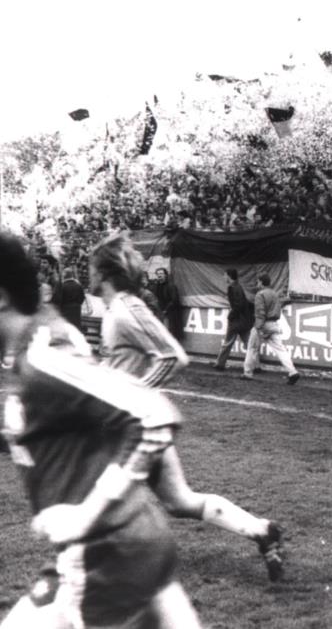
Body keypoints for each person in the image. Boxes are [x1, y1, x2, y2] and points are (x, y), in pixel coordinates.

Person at [0, 228, 203, 628]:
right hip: (118, 543)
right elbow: (83, 426)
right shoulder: (42, 339)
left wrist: (87, 514)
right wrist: (5, 436)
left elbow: (154, 415)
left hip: (105, 554)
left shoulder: (44, 355)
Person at [90, 235, 285, 581]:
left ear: (104, 272)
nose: (87, 272)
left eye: (92, 267)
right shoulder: (115, 310)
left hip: (134, 423)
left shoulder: (127, 308)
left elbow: (172, 356)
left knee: (101, 494)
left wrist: (132, 395)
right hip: (139, 421)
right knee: (179, 502)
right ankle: (261, 529)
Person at [241, 272, 300, 384]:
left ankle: (247, 373)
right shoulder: (274, 294)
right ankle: (293, 372)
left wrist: (258, 328)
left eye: (258, 282)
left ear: (261, 282)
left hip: (262, 324)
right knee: (280, 349)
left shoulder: (260, 294)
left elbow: (260, 313)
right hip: (274, 324)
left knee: (252, 348)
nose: (257, 284)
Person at [211, 268, 255, 371]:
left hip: (236, 320)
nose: (224, 277)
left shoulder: (232, 288)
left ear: (229, 276)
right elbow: (244, 303)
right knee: (248, 343)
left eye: (225, 275)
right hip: (244, 320)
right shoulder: (238, 286)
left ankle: (220, 364)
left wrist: (230, 316)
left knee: (227, 342)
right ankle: (256, 365)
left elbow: (238, 305)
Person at [153, 267, 184, 342]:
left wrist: (165, 310)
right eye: (158, 274)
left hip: (169, 313)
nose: (159, 275)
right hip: (160, 312)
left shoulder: (171, 286)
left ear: (165, 275)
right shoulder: (156, 286)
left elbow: (174, 300)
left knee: (168, 332)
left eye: (161, 273)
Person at [56, 267, 86, 331]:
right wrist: (77, 304)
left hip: (65, 311)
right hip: (76, 311)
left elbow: (59, 300)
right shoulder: (78, 285)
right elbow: (82, 298)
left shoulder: (62, 286)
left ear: (64, 276)